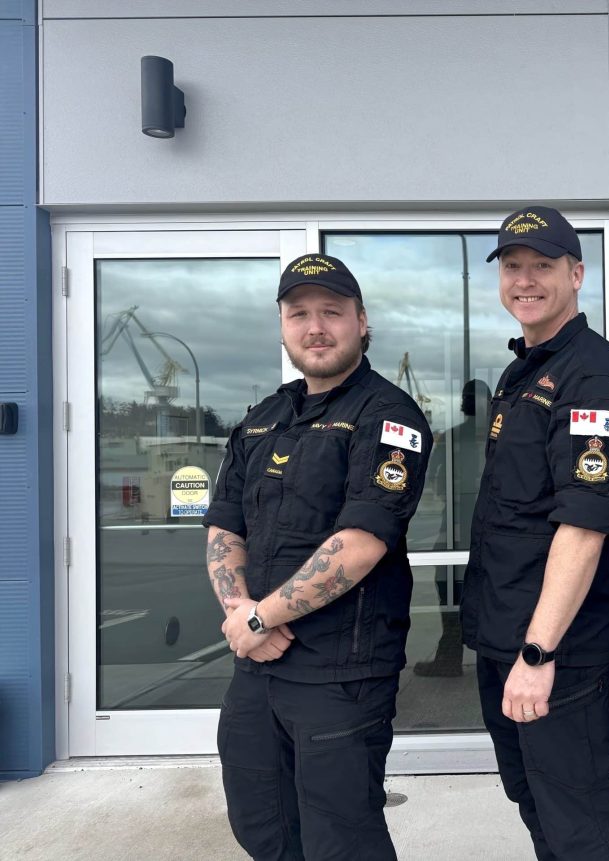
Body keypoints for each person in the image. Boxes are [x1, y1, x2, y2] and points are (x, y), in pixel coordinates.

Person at [203, 253, 432, 861]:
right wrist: (241, 616)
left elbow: (359, 543)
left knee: (341, 836)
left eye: (332, 312)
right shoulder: (261, 420)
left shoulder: (388, 416)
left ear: (361, 321)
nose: (316, 327)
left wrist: (260, 619)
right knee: (261, 822)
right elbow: (225, 529)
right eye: (298, 313)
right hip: (257, 665)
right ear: (282, 325)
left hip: (340, 672)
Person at [461, 206, 609, 860]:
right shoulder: (526, 372)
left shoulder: (592, 376)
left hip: (553, 652)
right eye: (513, 266)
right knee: (537, 801)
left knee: (579, 817)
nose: (525, 279)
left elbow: (584, 525)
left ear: (577, 274)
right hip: (506, 636)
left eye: (542, 265)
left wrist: (537, 655)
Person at [414, 378, 492, 677]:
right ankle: (458, 655)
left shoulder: (453, 438)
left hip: (461, 524)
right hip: (477, 523)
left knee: (449, 587)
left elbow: (435, 482)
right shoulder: (496, 438)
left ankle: (450, 654)